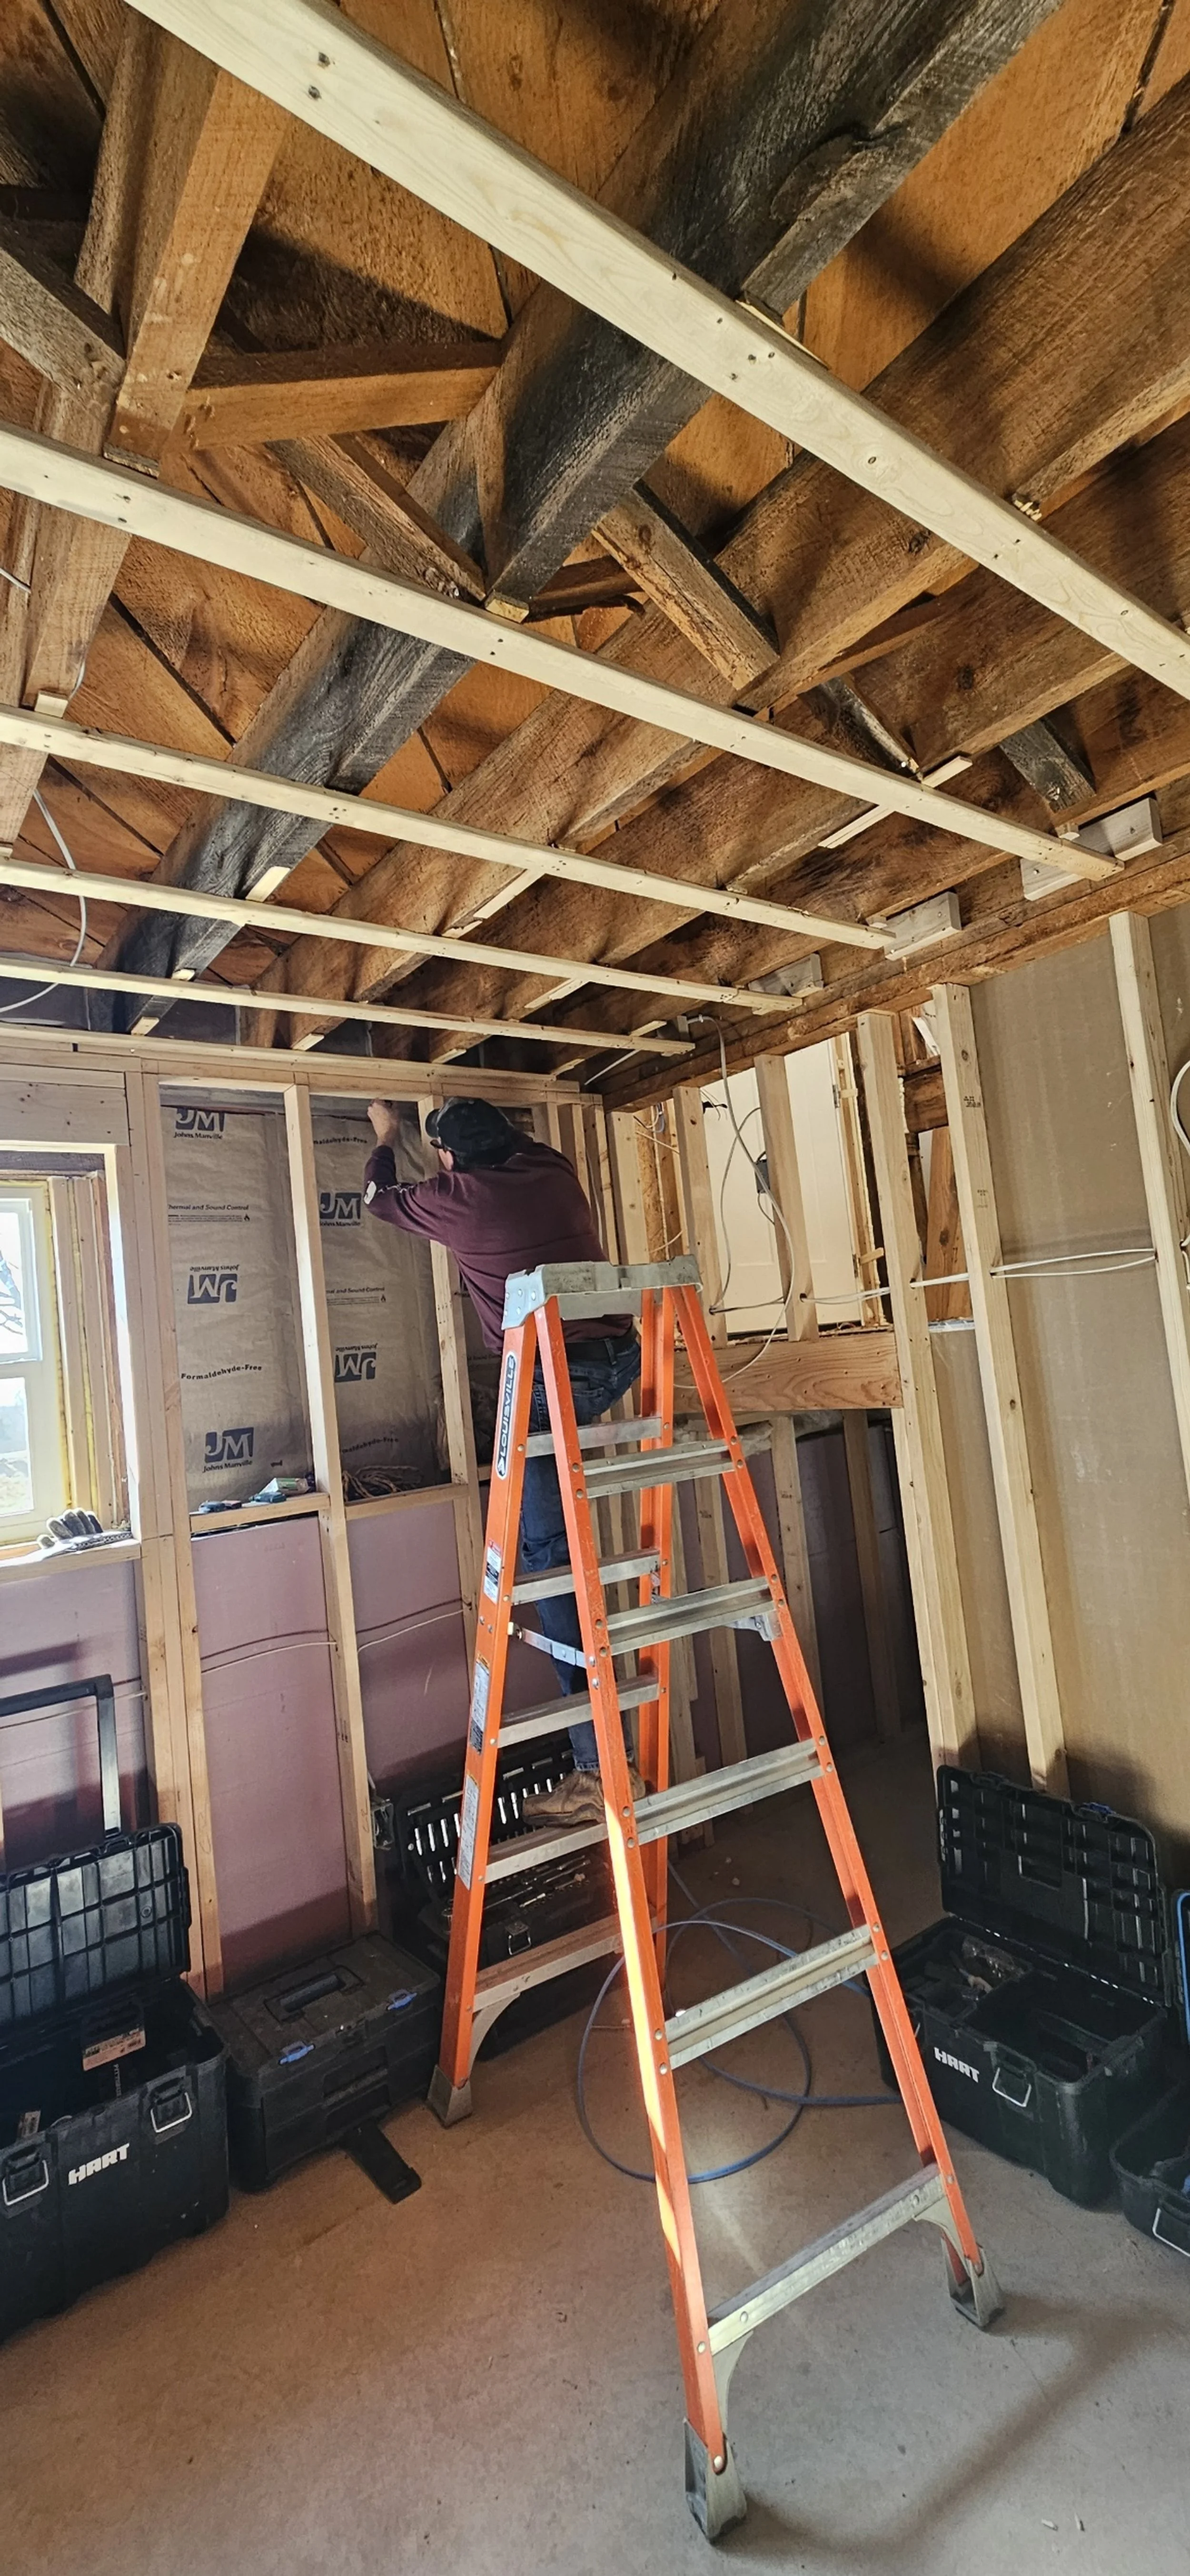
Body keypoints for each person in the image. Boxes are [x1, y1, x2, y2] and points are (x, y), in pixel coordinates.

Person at [365, 1095, 644, 1824]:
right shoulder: (551, 1167)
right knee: (550, 1537)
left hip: (556, 1381)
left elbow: (376, 1199)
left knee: (549, 1558)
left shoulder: (456, 1198)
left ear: (452, 1160)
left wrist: (387, 1136)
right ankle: (604, 1750)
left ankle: (598, 1770)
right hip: (620, 1359)